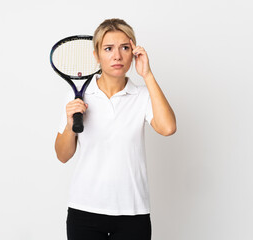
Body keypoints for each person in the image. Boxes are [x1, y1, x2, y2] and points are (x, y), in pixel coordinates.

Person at [55, 18, 176, 240]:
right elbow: (62, 155)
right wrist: (72, 124)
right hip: (84, 211)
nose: (117, 56)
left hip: (133, 213)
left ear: (134, 52)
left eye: (125, 48)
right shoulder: (77, 97)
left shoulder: (143, 96)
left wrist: (147, 75)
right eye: (108, 48)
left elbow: (168, 128)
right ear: (96, 55)